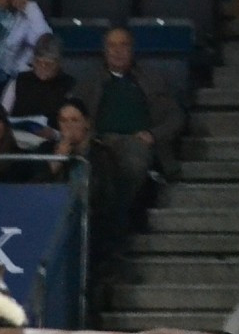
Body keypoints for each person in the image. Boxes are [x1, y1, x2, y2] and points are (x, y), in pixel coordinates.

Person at [73, 26, 185, 217]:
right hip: (99, 142)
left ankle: (111, 221)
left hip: (136, 142)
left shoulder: (152, 80)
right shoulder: (89, 83)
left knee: (131, 166)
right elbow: (73, 114)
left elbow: (176, 117)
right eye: (112, 45)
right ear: (104, 51)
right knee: (93, 170)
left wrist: (153, 135)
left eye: (123, 45)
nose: (117, 50)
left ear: (132, 49)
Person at [34, 97, 125, 270]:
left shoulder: (102, 155)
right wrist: (55, 164)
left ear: (87, 123)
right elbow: (31, 189)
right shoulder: (45, 151)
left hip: (91, 224)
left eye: (74, 120)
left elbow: (108, 196)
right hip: (50, 218)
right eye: (63, 121)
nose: (68, 126)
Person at [0, 33, 75, 146]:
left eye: (48, 64)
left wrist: (55, 134)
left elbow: (74, 127)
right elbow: (2, 114)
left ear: (58, 64)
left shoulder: (69, 86)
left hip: (52, 145)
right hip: (16, 143)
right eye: (39, 62)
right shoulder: (19, 81)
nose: (43, 67)